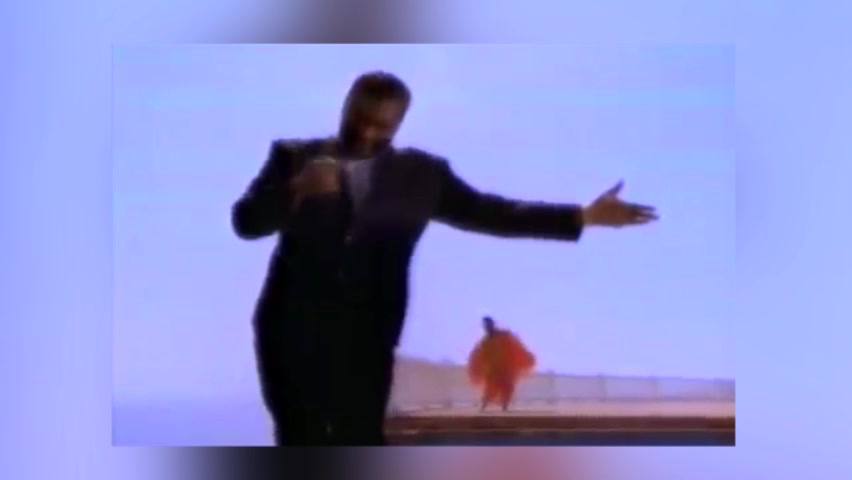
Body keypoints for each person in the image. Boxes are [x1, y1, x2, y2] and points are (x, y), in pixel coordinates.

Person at [231, 71, 658, 446]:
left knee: (358, 438)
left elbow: (494, 213)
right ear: (346, 106)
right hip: (290, 330)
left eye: (381, 126)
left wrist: (582, 216)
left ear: (399, 124)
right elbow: (246, 222)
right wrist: (295, 190)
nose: (365, 133)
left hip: (367, 335)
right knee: (300, 439)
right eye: (359, 118)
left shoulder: (422, 176)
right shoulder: (292, 157)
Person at [467, 316, 536, 412]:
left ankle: (504, 407)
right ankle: (483, 406)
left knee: (507, 387)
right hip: (492, 369)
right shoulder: (484, 341)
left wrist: (523, 356)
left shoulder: (504, 335)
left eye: (488, 325)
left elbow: (514, 346)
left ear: (493, 324)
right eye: (485, 325)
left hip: (505, 367)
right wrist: (481, 366)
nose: (487, 327)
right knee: (490, 389)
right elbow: (482, 356)